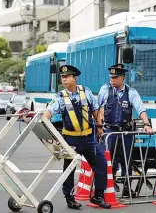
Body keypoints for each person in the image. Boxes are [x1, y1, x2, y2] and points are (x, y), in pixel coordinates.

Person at [43, 65, 111, 209]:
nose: (64, 79)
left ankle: (98, 196)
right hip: (71, 140)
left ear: (75, 78)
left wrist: (99, 127)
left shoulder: (85, 91)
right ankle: (69, 198)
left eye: (67, 76)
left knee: (101, 164)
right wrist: (44, 118)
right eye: (63, 77)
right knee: (69, 170)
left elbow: (95, 109)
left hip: (89, 138)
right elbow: (50, 110)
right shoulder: (60, 96)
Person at [97, 63, 153, 197]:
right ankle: (107, 186)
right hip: (110, 131)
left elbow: (141, 109)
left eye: (115, 77)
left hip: (126, 131)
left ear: (123, 78)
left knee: (127, 159)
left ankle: (127, 187)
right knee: (108, 159)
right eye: (111, 77)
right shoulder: (105, 90)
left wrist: (146, 124)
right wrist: (98, 126)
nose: (112, 79)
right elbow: (96, 108)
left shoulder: (131, 92)